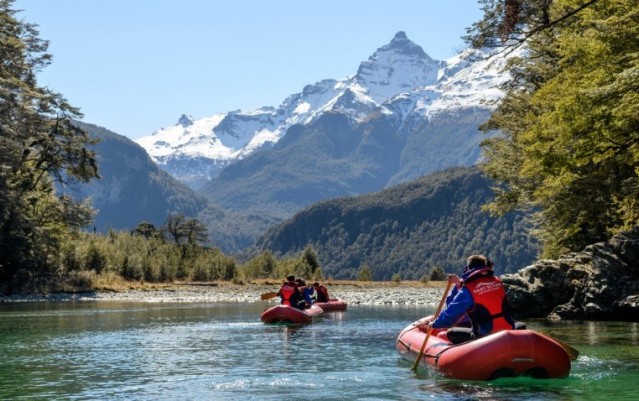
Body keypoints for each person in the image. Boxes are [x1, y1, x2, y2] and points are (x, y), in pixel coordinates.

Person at [421, 254, 515, 343]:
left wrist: (433, 324)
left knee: (450, 333)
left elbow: (450, 313)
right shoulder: (498, 282)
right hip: (508, 329)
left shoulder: (468, 290)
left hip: (485, 335)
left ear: (469, 268)